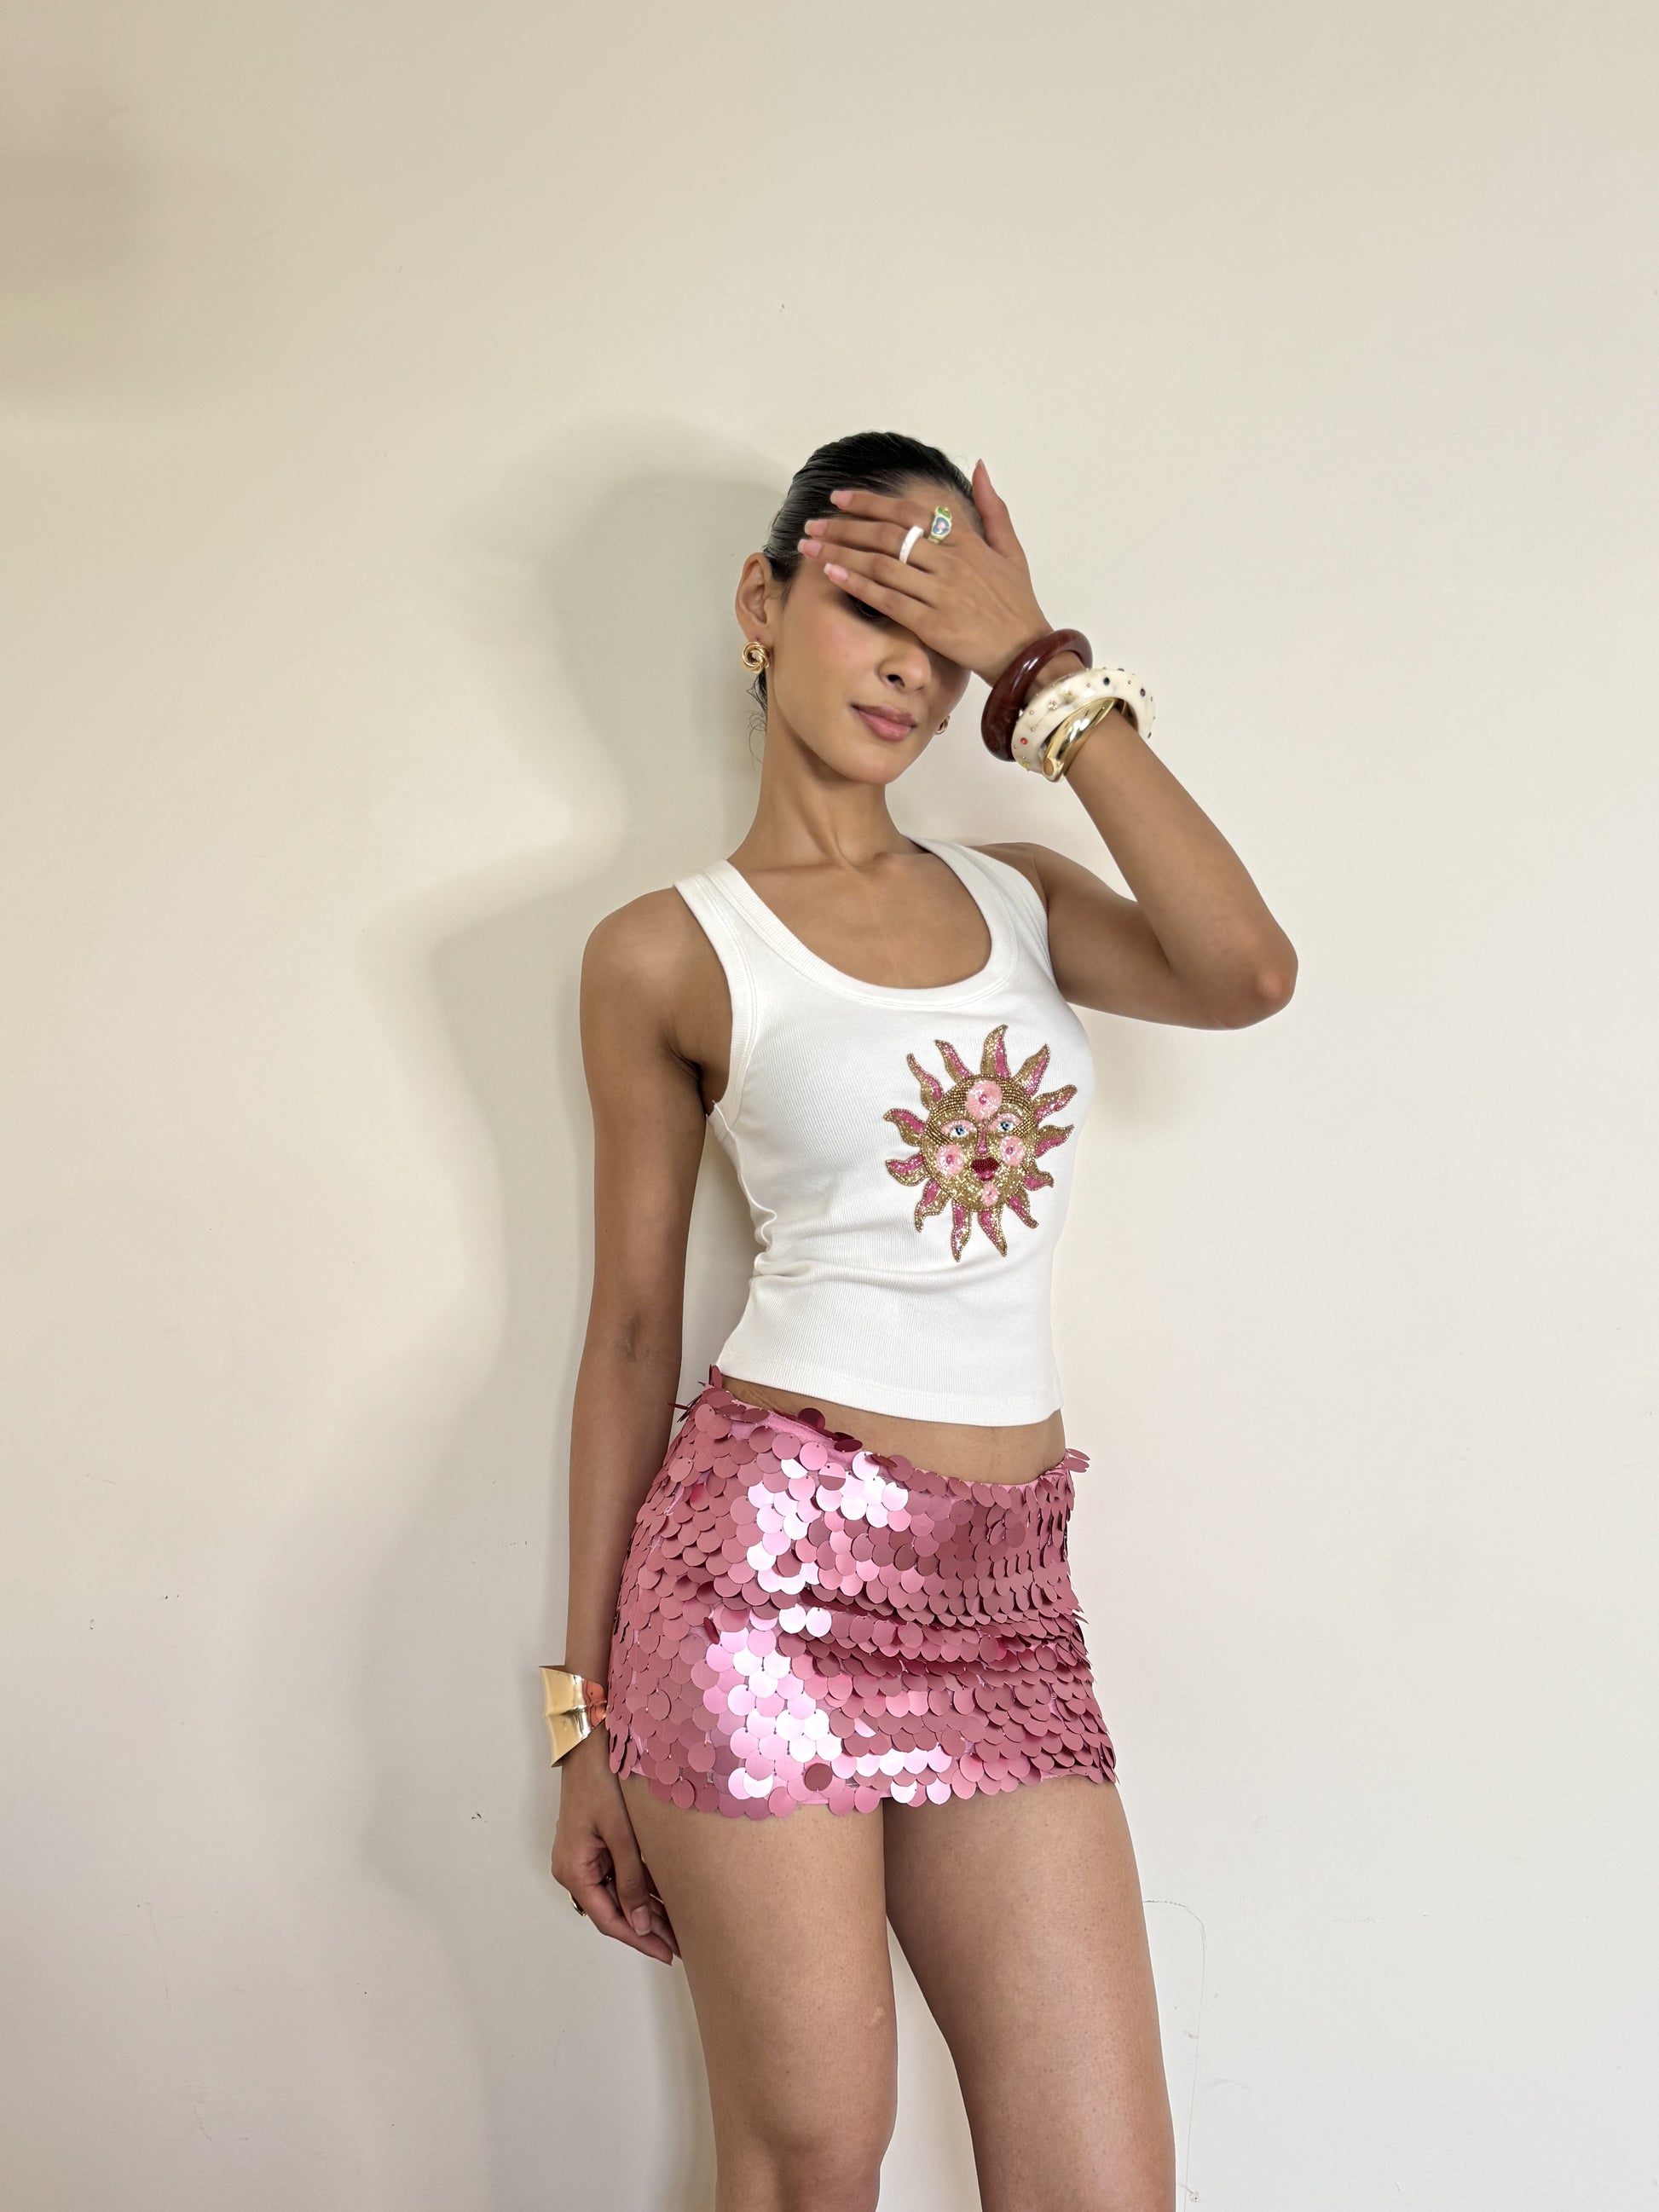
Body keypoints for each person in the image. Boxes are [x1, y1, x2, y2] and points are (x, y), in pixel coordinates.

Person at [546, 429, 1297, 2212]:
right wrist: (578, 1721)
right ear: (760, 602)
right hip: (764, 1585)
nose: (907, 667)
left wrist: (1042, 671)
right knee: (815, 2158)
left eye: (942, 635)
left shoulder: (1018, 897)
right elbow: (631, 1336)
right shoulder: (667, 949)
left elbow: (1245, 972)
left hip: (1009, 1593)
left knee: (1100, 2184)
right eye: (872, 607)